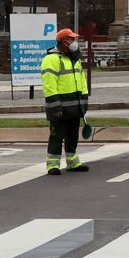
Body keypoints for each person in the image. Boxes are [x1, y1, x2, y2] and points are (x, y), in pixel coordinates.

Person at [40, 28, 89, 175]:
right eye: (71, 39)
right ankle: (52, 166)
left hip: (75, 107)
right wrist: (55, 107)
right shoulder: (51, 59)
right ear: (63, 42)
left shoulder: (75, 59)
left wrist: (84, 101)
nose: (74, 42)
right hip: (60, 108)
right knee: (56, 137)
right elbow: (49, 86)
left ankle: (73, 163)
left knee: (72, 136)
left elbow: (82, 81)